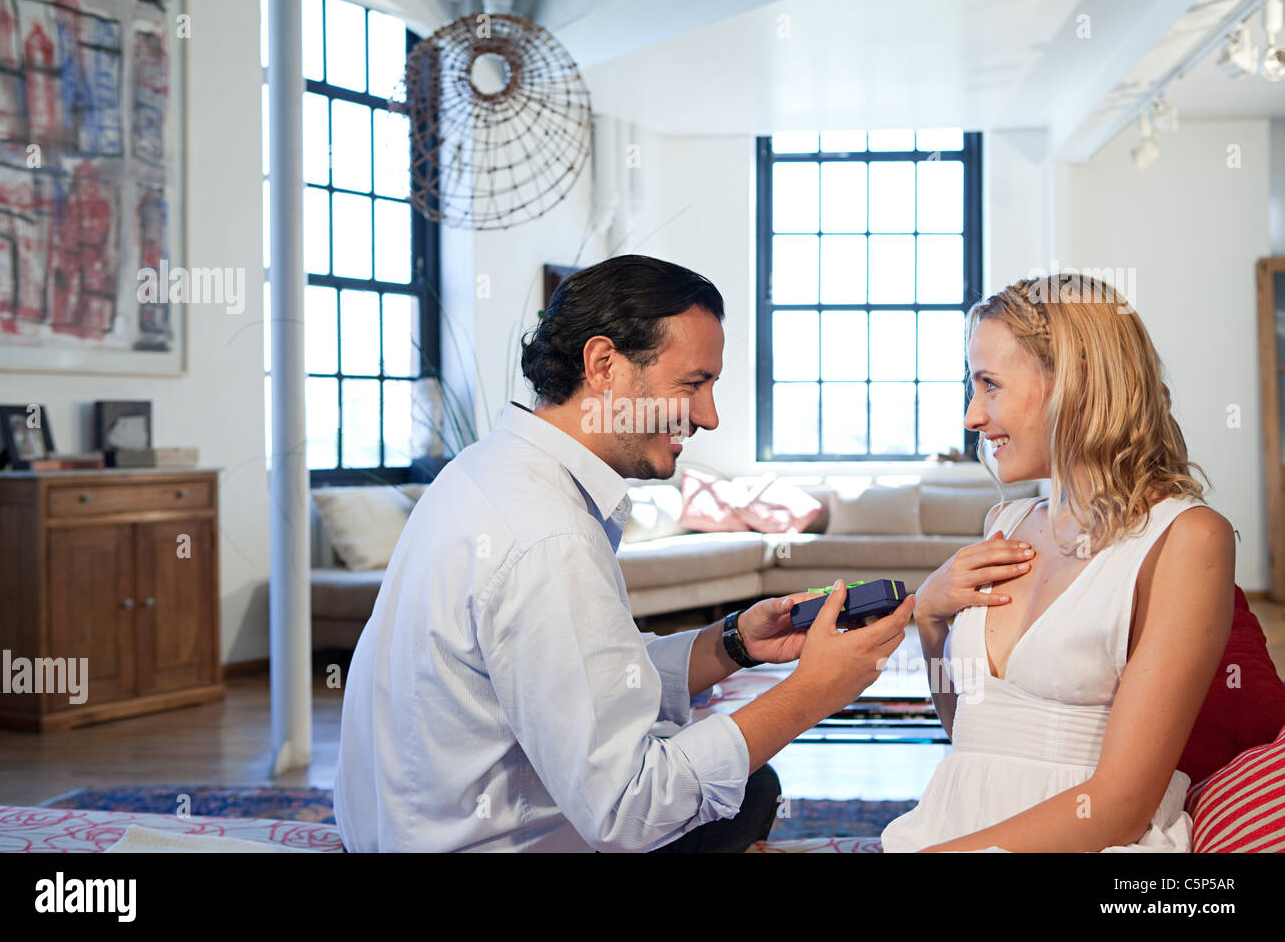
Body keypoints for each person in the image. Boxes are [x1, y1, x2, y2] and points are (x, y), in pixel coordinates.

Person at [333, 254, 916, 852]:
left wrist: (734, 642)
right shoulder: (548, 537)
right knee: (749, 789)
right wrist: (816, 689)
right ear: (604, 364)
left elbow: (586, 674)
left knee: (750, 785)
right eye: (693, 384)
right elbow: (632, 812)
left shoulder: (487, 471)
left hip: (393, 832)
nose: (709, 417)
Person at [879, 274, 1235, 852]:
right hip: (952, 826)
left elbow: (1120, 808)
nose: (972, 416)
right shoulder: (1006, 525)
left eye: (990, 385)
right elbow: (973, 737)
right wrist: (930, 621)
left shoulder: (1188, 538)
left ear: (1076, 382)